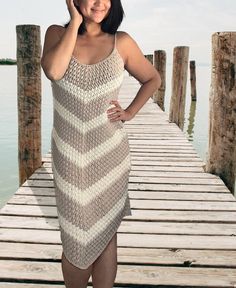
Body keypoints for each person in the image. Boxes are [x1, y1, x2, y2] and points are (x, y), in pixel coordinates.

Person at [41, 0, 161, 287]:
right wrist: (75, 21)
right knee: (75, 236)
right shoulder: (57, 34)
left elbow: (152, 78)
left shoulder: (122, 42)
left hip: (111, 156)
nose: (99, 2)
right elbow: (54, 71)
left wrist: (129, 112)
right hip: (68, 158)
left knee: (106, 234)